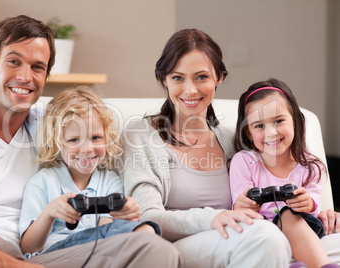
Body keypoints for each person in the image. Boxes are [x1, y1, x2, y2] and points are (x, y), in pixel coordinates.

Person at [0, 15, 181, 268]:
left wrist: (128, 212)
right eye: (14, 61)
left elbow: (99, 142)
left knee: (154, 248)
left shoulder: (56, 127)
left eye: (37, 67)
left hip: (39, 257)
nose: (25, 76)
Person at [116, 28, 292, 267]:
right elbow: (146, 217)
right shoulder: (141, 135)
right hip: (174, 248)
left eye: (201, 77)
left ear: (219, 78)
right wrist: (211, 217)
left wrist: (316, 213)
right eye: (178, 78)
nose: (191, 90)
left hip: (236, 239)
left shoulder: (233, 139)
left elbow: (275, 185)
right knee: (266, 239)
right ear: (164, 79)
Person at [19, 87, 160, 256]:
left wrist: (127, 216)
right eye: (73, 140)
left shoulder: (110, 180)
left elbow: (107, 231)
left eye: (95, 138)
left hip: (97, 250)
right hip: (57, 253)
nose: (87, 149)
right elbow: (27, 248)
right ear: (56, 142)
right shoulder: (43, 182)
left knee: (146, 231)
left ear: (107, 138)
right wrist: (49, 213)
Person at [230, 78, 340, 268]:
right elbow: (239, 203)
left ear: (295, 121)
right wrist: (245, 203)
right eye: (259, 126)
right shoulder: (244, 161)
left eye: (279, 121)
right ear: (248, 133)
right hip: (261, 227)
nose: (271, 132)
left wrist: (307, 202)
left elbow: (313, 207)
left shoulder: (312, 166)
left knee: (288, 215)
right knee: (276, 220)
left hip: (303, 226)